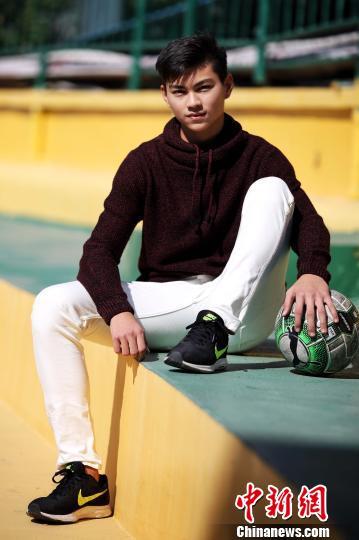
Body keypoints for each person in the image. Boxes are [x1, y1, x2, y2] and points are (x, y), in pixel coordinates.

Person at [27, 33, 339, 523]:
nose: (193, 101)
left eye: (204, 87)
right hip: (174, 309)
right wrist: (118, 311)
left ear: (228, 86)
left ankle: (213, 329)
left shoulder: (259, 155)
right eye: (179, 90)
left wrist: (313, 273)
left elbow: (310, 224)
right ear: (165, 95)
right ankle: (83, 476)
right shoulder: (145, 162)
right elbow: (98, 251)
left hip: (242, 312)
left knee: (275, 190)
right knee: (52, 305)